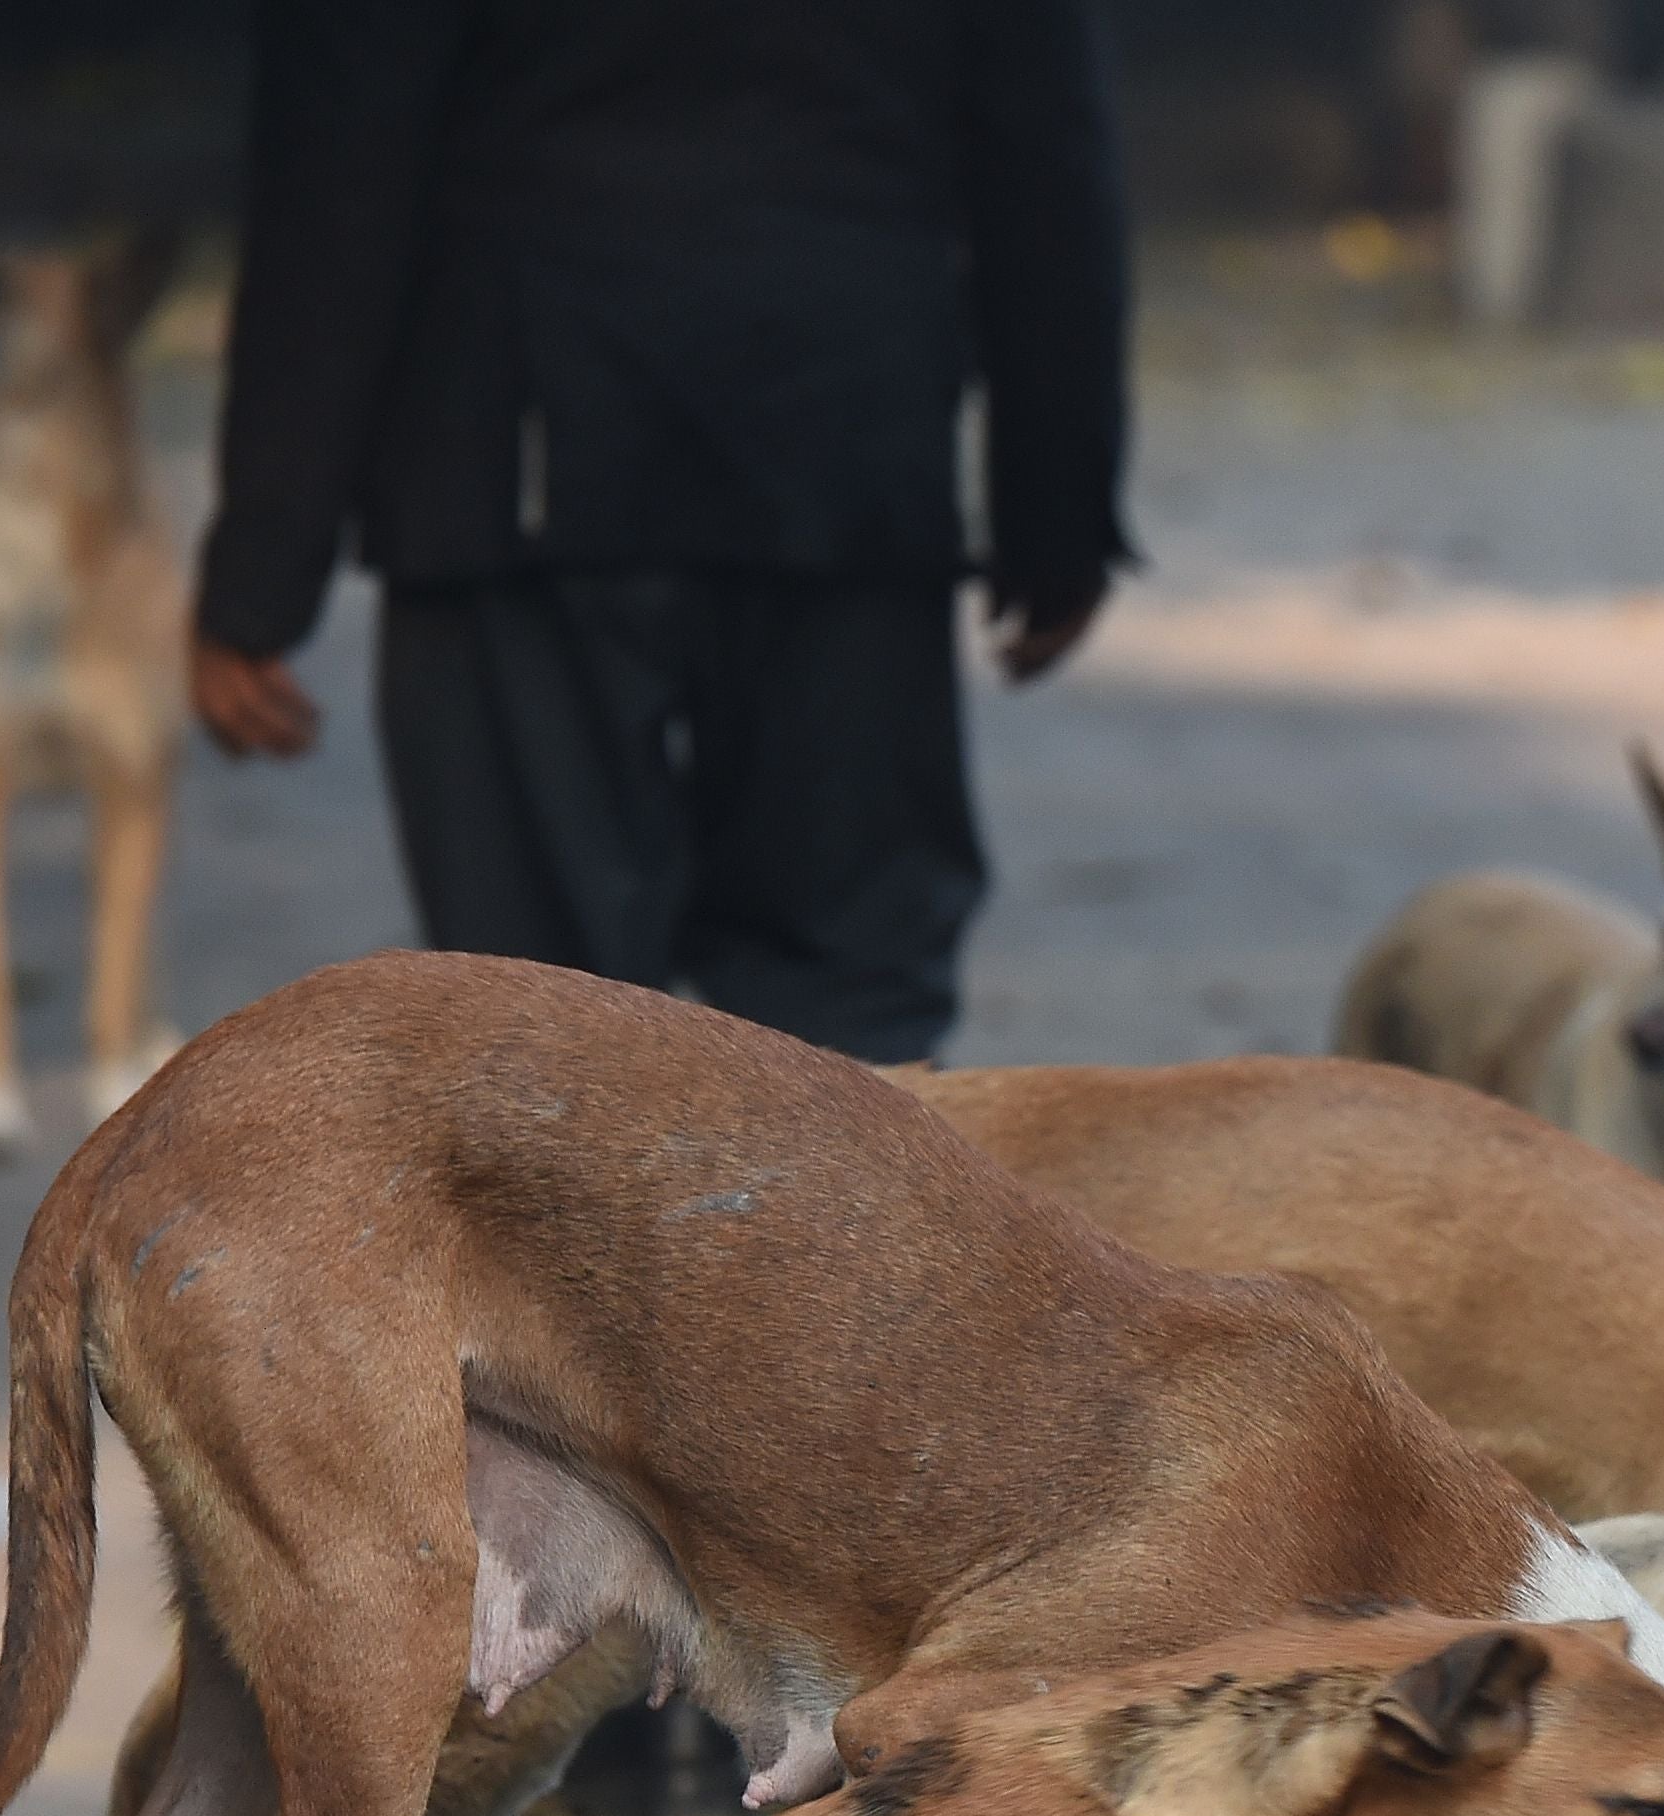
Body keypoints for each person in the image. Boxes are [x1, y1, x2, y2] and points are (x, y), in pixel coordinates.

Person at [190, 0, 1134, 1065]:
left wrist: (262, 567)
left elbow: (337, 168)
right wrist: (1059, 504)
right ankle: (838, 1234)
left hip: (520, 456)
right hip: (844, 455)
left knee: (540, 1019)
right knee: (848, 1013)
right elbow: (1046, 151)